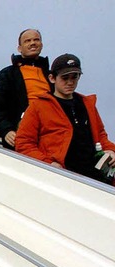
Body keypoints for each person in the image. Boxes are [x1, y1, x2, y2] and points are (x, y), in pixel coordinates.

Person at [15, 54, 115, 182]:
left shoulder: (87, 104)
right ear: (52, 78)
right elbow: (23, 143)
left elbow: (101, 136)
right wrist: (48, 164)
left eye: (75, 77)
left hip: (95, 177)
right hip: (61, 178)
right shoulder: (38, 106)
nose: (70, 82)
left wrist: (111, 150)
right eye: (65, 77)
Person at [0, 29, 51, 149]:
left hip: (50, 133)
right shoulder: (8, 74)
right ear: (19, 48)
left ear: (41, 45)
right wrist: (6, 130)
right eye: (27, 41)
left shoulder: (52, 76)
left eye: (36, 40)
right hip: (23, 134)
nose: (32, 43)